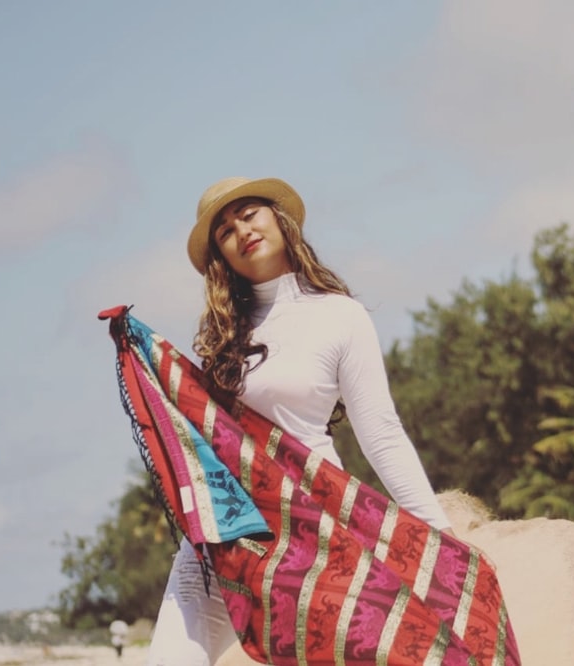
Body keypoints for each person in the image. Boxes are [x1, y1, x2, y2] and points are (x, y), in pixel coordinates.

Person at [146, 176, 454, 666]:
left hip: (315, 525)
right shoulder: (224, 337)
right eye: (224, 231)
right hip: (226, 529)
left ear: (278, 218)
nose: (241, 230)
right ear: (221, 258)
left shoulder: (341, 316)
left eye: (249, 213)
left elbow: (381, 434)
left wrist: (440, 532)